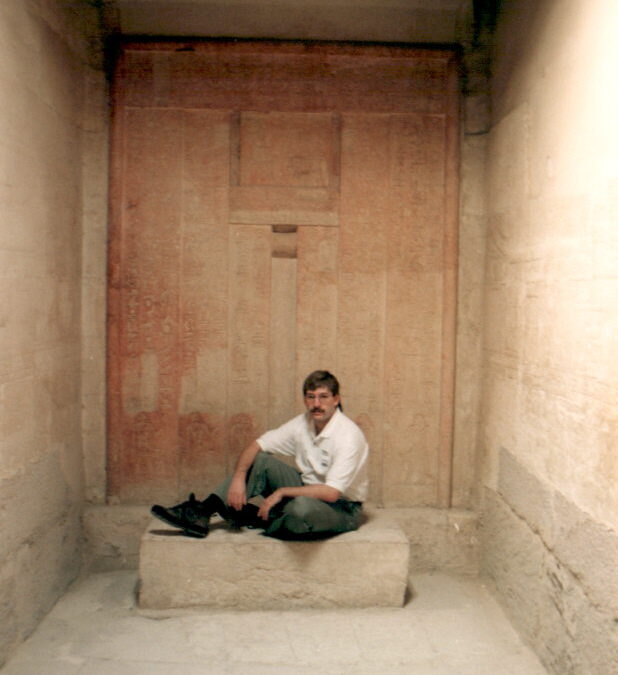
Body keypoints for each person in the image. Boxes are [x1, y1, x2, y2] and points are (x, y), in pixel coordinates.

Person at [151, 370, 369, 540]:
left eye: (323, 397)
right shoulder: (303, 422)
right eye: (311, 397)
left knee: (299, 509)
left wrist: (282, 492)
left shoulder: (348, 435)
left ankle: (255, 517)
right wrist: (239, 477)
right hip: (305, 488)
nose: (317, 404)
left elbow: (331, 493)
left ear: (336, 399)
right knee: (262, 461)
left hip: (341, 507)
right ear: (305, 399)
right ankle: (201, 512)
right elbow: (258, 445)